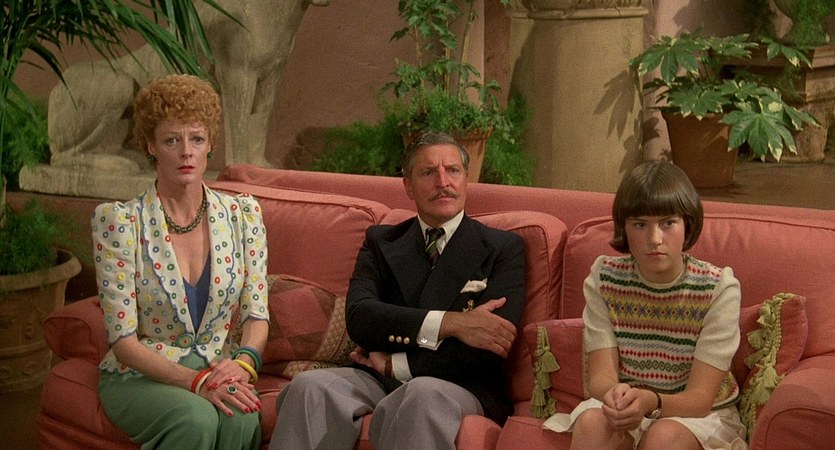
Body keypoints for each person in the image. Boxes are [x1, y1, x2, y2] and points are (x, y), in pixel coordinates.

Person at [268, 131, 527, 450]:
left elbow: (491, 347)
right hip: (375, 378)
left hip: (461, 385)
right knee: (309, 387)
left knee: (421, 395)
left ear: (466, 180)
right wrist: (452, 323)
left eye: (453, 170)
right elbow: (361, 318)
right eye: (428, 172)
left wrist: (397, 364)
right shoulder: (382, 242)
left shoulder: (503, 248)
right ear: (408, 186)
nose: (443, 182)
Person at [91, 74, 270, 449]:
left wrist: (243, 362)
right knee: (195, 419)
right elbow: (123, 342)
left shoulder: (243, 216)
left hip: (215, 364)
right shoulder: (120, 223)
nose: (186, 152)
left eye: (197, 139)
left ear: (210, 144)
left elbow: (257, 314)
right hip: (140, 374)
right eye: (172, 140)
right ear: (151, 146)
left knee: (241, 417)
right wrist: (196, 382)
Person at [543, 160, 747, 449]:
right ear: (624, 228)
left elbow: (700, 400)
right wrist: (615, 397)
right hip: (631, 404)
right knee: (592, 424)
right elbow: (601, 378)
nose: (654, 239)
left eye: (668, 223)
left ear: (687, 224)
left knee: (662, 437)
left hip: (697, 414)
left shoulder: (718, 288)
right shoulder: (605, 277)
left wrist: (651, 402)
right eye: (640, 225)